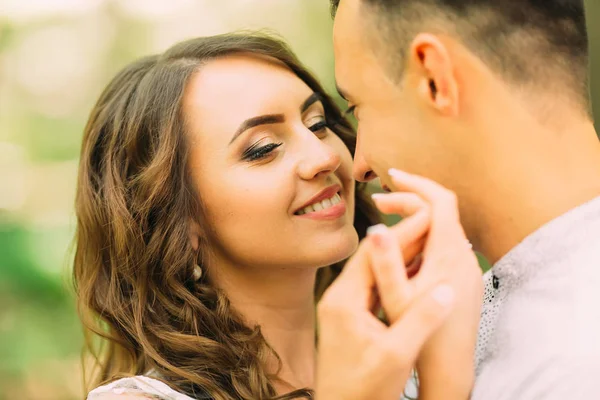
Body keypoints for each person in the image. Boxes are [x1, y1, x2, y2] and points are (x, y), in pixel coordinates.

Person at [74, 32, 477, 400]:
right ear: (177, 217)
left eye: (318, 124)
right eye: (263, 148)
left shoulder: (415, 362)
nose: (327, 156)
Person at [329, 0, 600, 398]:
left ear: (434, 79)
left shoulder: (569, 365)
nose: (359, 166)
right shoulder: (463, 321)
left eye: (358, 108)